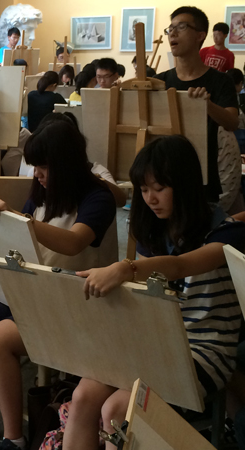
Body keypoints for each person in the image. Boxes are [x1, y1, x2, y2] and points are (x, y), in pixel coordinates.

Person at [0, 116, 118, 450]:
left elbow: (74, 242)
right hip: (34, 291)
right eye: (35, 166)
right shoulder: (42, 192)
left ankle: (14, 437)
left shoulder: (98, 198)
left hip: (75, 301)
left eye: (44, 167)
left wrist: (24, 223)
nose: (37, 174)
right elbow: (21, 238)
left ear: (65, 165)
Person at [63, 135, 245, 450]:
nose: (150, 199)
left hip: (205, 351)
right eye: (144, 190)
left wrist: (125, 269)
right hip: (157, 342)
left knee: (117, 409)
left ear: (184, 186)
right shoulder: (155, 231)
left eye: (159, 188)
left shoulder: (226, 232)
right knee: (83, 395)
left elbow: (179, 266)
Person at [155, 6, 238, 203]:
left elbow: (232, 122)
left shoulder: (220, 81)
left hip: (202, 179)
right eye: (170, 28)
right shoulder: (159, 81)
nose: (172, 33)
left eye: (181, 27)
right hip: (162, 177)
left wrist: (207, 105)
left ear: (200, 35)